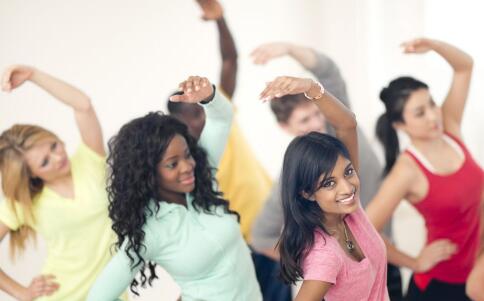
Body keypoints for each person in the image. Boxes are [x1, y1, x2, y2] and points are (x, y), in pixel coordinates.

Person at [87, 76, 262, 301]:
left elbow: (222, 119)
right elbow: (98, 297)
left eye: (187, 155)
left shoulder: (202, 180)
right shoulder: (150, 231)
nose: (188, 166)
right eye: (172, 164)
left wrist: (209, 96)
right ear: (148, 174)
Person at [250, 42, 402, 299]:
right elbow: (261, 236)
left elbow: (347, 123)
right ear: (307, 193)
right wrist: (304, 259)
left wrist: (310, 87)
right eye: (329, 184)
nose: (347, 187)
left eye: (349, 173)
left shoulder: (350, 211)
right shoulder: (325, 256)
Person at [366, 38, 483, 300]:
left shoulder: (450, 129)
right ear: (399, 124)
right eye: (420, 112)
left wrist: (433, 45)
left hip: (476, 275)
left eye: (432, 103)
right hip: (439, 287)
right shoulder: (407, 170)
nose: (433, 115)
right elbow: (361, 231)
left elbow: (465, 67)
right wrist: (414, 262)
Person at [0, 65, 126, 300]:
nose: (58, 158)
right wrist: (22, 293)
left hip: (111, 293)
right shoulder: (25, 202)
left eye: (54, 145)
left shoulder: (89, 160)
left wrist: (33, 75)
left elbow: (83, 105)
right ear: (32, 175)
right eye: (45, 162)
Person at [167, 0, 272, 243]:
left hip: (273, 218)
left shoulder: (220, 115)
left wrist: (219, 19)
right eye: (190, 117)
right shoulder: (188, 158)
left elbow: (230, 61)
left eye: (200, 110)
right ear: (179, 125)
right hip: (242, 239)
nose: (200, 118)